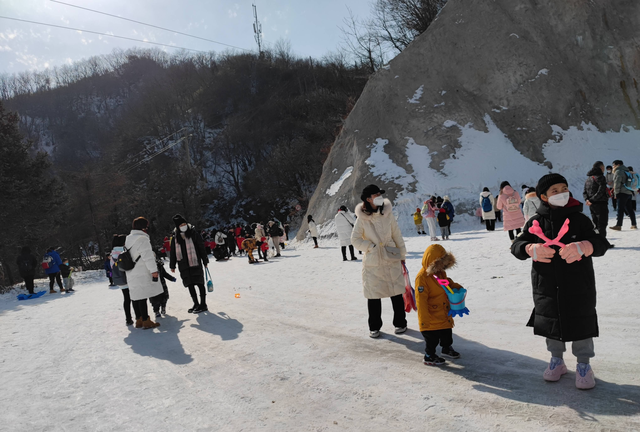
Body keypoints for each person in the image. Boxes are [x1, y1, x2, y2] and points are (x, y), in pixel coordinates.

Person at [511, 173, 609, 390]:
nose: (561, 193)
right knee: (551, 321)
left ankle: (584, 364)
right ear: (544, 196)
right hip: (546, 285)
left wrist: (585, 247)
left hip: (578, 284)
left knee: (581, 322)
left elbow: (601, 242)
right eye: (555, 191)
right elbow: (517, 245)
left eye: (564, 188)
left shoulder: (579, 219)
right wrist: (530, 248)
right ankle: (557, 360)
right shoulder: (535, 222)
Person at [351, 184, 407, 338]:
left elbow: (397, 234)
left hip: (391, 255)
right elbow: (354, 239)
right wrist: (370, 246)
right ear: (368, 199)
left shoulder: (387, 213)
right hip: (373, 260)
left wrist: (402, 254)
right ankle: (374, 326)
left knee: (397, 291)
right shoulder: (362, 218)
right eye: (376, 195)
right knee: (373, 294)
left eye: (380, 194)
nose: (379, 196)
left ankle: (401, 323)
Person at [415, 244, 462, 365]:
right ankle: (429, 355)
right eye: (440, 264)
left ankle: (446, 348)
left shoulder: (440, 273)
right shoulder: (422, 278)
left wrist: (456, 288)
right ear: (433, 263)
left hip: (443, 311)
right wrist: (424, 320)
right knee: (432, 339)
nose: (442, 267)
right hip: (431, 315)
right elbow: (421, 301)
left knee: (447, 333)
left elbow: (447, 283)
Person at [125, 217, 162, 329]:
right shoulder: (142, 239)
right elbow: (148, 257)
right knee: (143, 296)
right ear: (144, 227)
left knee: (136, 296)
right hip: (141, 270)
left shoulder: (128, 238)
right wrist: (154, 271)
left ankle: (139, 320)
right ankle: (146, 320)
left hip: (131, 271)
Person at [170, 214, 210, 313]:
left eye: (184, 223)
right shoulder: (175, 237)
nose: (183, 226)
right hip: (183, 264)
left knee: (200, 283)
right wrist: (172, 265)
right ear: (177, 227)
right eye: (181, 225)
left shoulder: (194, 233)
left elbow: (201, 247)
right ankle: (196, 303)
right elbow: (173, 252)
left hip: (195, 261)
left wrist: (205, 260)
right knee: (190, 284)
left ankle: (203, 304)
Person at [111, 234, 135, 326]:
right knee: (135, 298)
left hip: (120, 280)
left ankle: (128, 319)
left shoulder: (112, 253)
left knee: (126, 299)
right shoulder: (125, 251)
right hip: (129, 278)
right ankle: (139, 316)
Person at [583, 161, 610, 239]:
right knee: (602, 223)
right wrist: (592, 200)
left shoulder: (588, 178)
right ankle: (603, 243)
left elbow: (584, 191)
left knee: (595, 223)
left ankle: (596, 241)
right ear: (601, 168)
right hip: (601, 203)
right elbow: (601, 190)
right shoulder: (601, 177)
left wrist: (587, 200)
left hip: (592, 205)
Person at [610, 160, 637, 230]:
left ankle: (618, 225)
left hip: (621, 192)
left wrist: (616, 193)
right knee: (630, 209)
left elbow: (617, 183)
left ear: (618, 165)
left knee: (620, 209)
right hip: (628, 192)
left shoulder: (618, 171)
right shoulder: (627, 171)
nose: (613, 167)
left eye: (613, 165)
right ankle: (634, 224)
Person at [150, 252, 176, 318]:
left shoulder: (159, 264)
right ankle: (156, 311)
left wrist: (171, 278)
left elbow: (164, 273)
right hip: (152, 285)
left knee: (164, 296)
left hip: (162, 283)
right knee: (155, 299)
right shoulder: (146, 266)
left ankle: (163, 308)